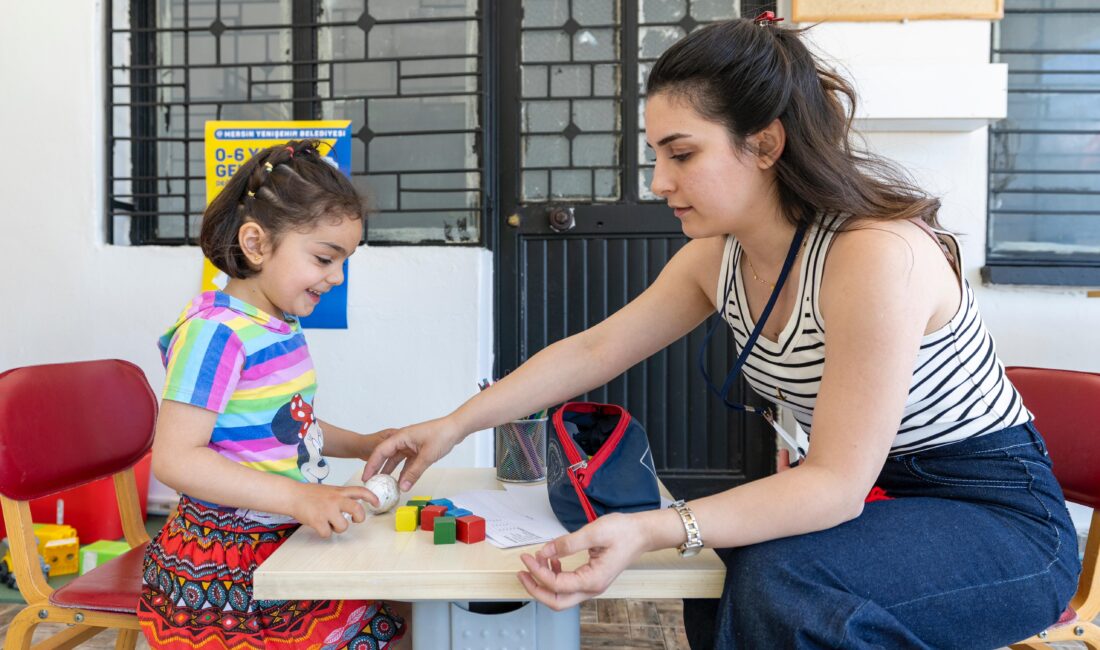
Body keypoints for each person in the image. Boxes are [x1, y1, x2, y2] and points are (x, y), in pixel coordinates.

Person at [362, 15, 1082, 650]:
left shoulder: (875, 254)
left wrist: (651, 527)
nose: (657, 181)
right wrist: (453, 425)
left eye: (681, 154)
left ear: (765, 143)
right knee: (719, 565)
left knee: (784, 582)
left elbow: (834, 485)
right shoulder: (718, 259)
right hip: (893, 503)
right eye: (656, 155)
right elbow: (593, 350)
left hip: (1000, 520)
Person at [138, 140, 407, 649]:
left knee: (396, 613)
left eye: (345, 260)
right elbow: (174, 459)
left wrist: (365, 443)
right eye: (326, 258)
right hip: (226, 559)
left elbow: (287, 426)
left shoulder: (276, 324)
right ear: (257, 244)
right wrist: (300, 495)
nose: (337, 277)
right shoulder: (215, 333)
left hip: (279, 533)